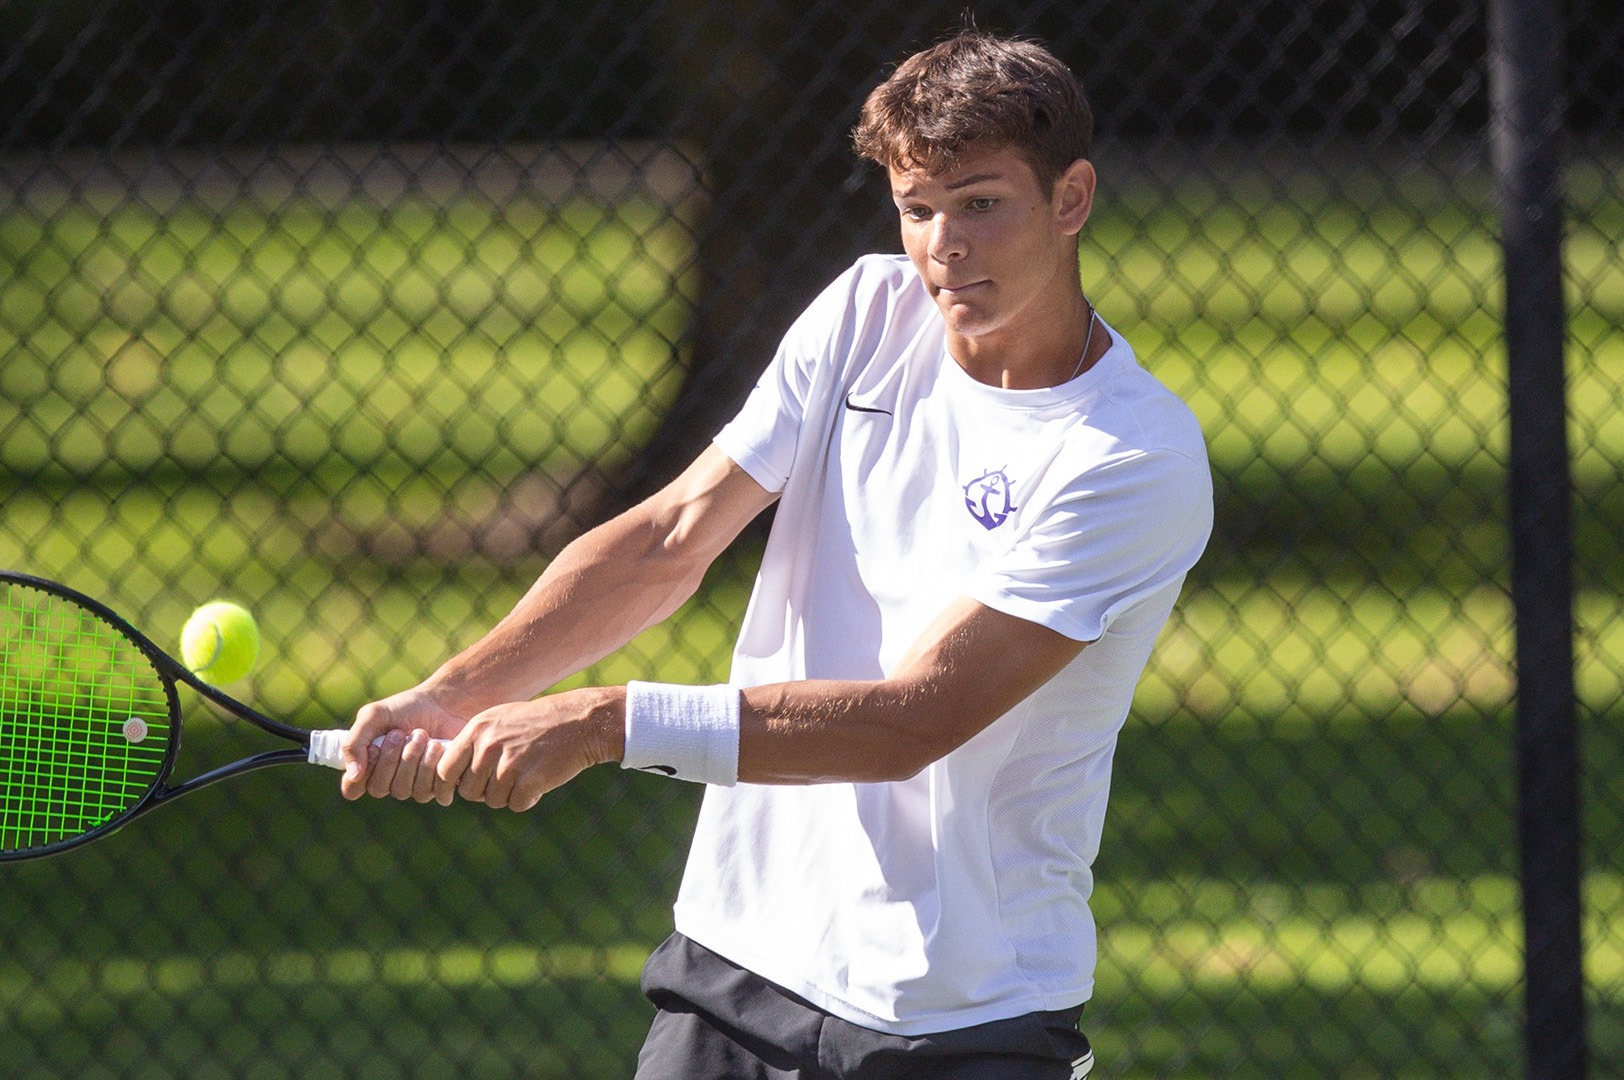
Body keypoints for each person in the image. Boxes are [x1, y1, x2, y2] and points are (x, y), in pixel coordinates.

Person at [335, 29, 1212, 1080]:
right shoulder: (865, 313)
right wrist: (455, 693)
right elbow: (671, 536)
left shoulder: (1131, 458)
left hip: (964, 1017)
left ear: (1071, 198)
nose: (944, 245)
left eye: (981, 203)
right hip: (738, 964)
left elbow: (913, 719)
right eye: (917, 208)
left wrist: (603, 722)